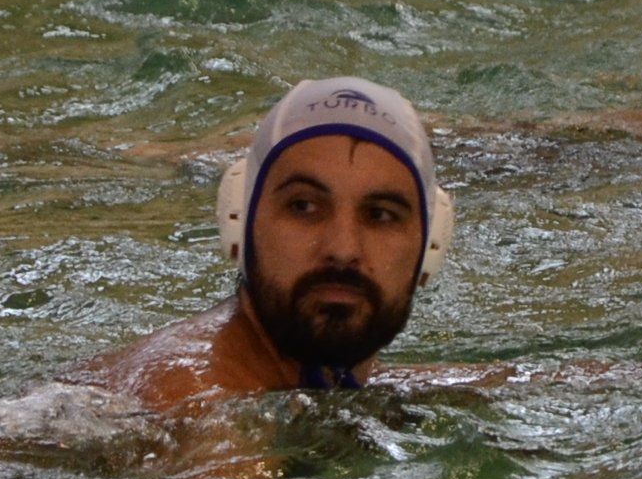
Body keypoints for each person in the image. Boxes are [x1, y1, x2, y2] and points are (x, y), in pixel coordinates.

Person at [78, 77, 455, 412]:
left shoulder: (304, 382)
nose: (343, 249)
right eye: (303, 207)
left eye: (380, 215)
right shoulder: (198, 407)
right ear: (239, 223)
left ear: (430, 244)